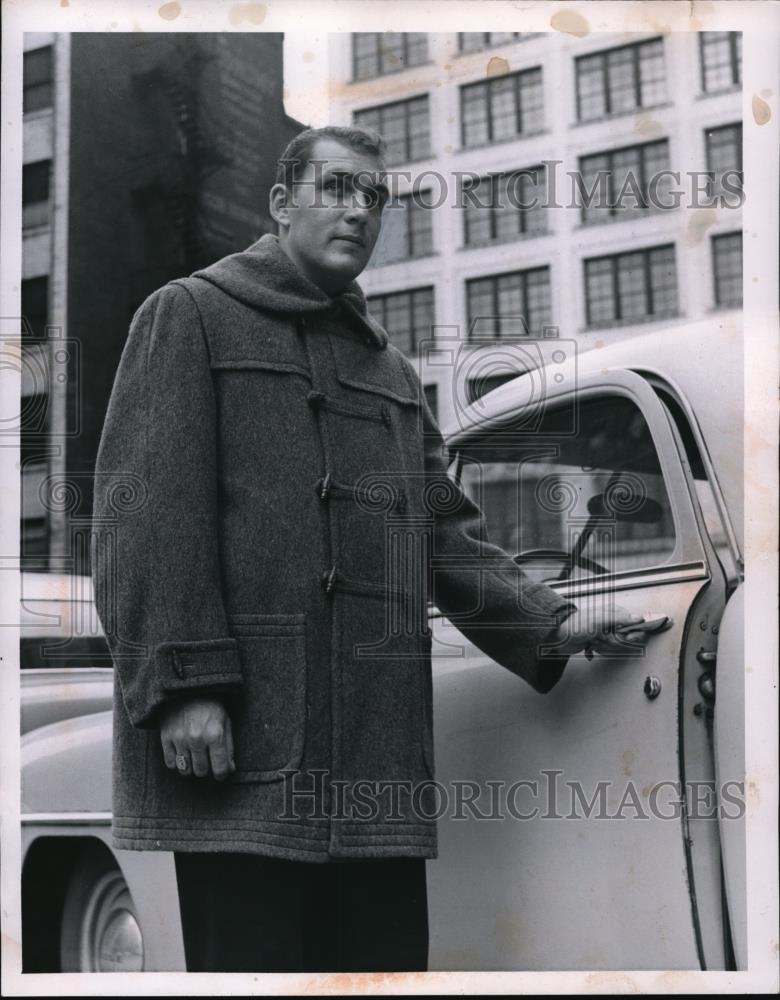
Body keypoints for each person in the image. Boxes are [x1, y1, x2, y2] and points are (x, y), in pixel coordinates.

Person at [92, 125, 647, 973]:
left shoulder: (388, 369)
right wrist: (183, 685)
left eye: (375, 198)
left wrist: (551, 622)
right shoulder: (188, 314)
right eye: (339, 189)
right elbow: (144, 517)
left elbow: (442, 529)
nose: (359, 211)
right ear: (281, 204)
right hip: (244, 743)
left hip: (374, 756)